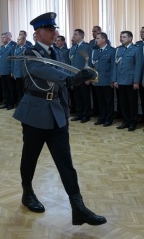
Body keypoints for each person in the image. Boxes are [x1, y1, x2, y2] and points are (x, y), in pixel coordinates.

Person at [13, 12, 106, 226]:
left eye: (55, 29)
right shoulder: (30, 53)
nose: (54, 33)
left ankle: (78, 207)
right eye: (49, 30)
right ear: (37, 34)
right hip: (35, 113)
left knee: (66, 162)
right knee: (30, 157)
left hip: (56, 112)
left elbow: (61, 79)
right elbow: (45, 71)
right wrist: (72, 79)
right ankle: (27, 193)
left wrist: (66, 109)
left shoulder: (58, 52)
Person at [113, 31, 143, 131]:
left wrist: (136, 81)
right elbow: (116, 66)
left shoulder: (136, 49)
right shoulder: (119, 50)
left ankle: (133, 123)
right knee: (123, 103)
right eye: (121, 36)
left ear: (130, 38)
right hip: (120, 81)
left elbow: (138, 66)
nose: (121, 38)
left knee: (132, 103)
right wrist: (115, 80)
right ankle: (125, 121)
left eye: (124, 37)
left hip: (131, 81)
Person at [89, 32, 115, 126]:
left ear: (104, 40)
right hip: (97, 80)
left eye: (98, 38)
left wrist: (112, 80)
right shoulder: (95, 51)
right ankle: (102, 117)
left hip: (107, 80)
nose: (96, 40)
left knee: (108, 101)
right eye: (96, 38)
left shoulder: (111, 51)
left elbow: (113, 67)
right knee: (100, 101)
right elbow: (92, 66)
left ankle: (109, 119)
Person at [69, 29, 93, 123]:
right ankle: (79, 114)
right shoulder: (73, 48)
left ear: (81, 36)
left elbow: (89, 63)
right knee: (77, 97)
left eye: (76, 34)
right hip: (75, 77)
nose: (73, 36)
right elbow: (72, 63)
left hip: (83, 77)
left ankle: (86, 115)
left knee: (85, 97)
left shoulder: (86, 47)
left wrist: (88, 77)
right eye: (73, 34)